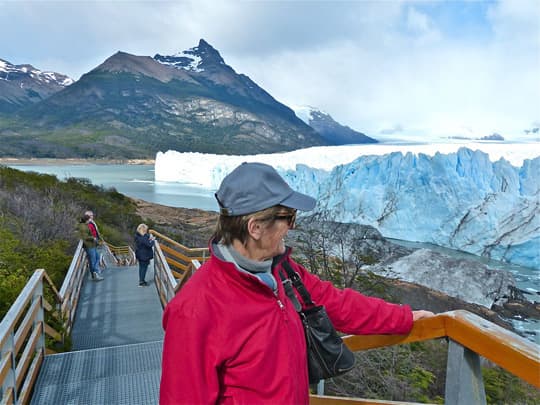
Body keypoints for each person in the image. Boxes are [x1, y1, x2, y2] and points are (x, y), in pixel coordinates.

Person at [159, 162, 434, 404]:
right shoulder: (195, 309)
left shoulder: (284, 273)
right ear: (255, 227)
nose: (292, 227)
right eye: (288, 218)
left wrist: (404, 317)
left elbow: (338, 303)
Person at [78, 213, 104, 281]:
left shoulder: (84, 225)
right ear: (86, 220)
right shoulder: (83, 227)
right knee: (92, 260)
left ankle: (95, 272)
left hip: (92, 245)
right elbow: (85, 237)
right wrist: (93, 238)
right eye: (89, 218)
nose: (90, 220)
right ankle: (95, 273)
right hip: (89, 245)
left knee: (97, 257)